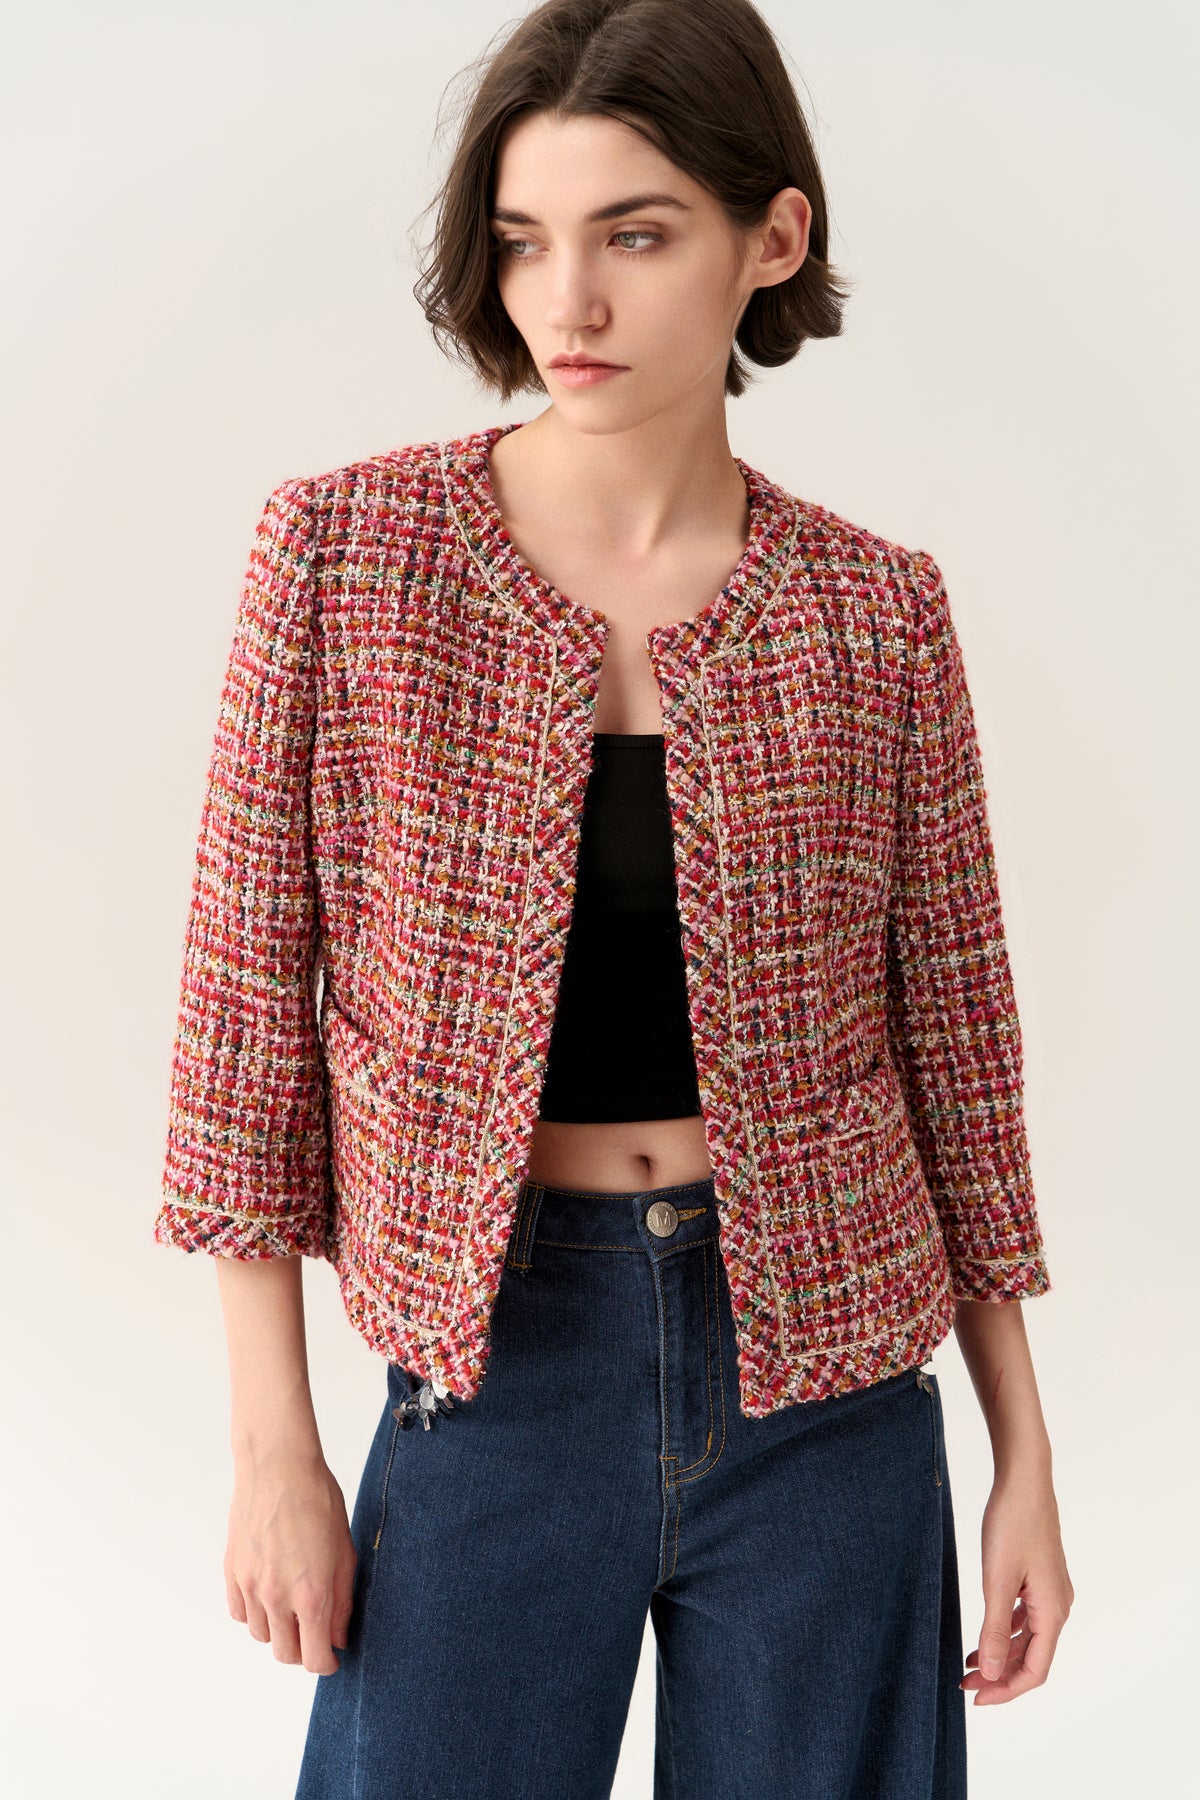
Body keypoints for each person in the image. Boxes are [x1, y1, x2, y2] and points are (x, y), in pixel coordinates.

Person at [154, 2, 1073, 1795]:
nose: (563, 303)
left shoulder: (876, 613)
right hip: (490, 1363)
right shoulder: (344, 559)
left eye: (633, 237)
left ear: (772, 239)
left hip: (827, 1390)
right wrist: (275, 1449)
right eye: (522, 241)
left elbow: (960, 1055)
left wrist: (1021, 1452)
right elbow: (242, 1022)